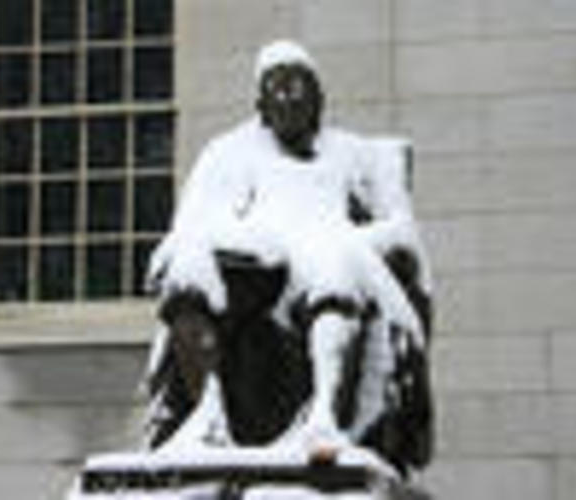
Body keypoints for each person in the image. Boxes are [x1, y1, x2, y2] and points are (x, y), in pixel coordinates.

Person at [145, 40, 434, 473]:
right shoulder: (226, 155)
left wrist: (352, 244)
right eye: (276, 90)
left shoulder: (357, 158)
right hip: (256, 278)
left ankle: (324, 420)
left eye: (299, 89)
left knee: (335, 267)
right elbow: (189, 230)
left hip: (327, 277)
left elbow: (403, 238)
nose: (287, 100)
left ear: (319, 100)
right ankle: (208, 418)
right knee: (190, 269)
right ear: (260, 106)